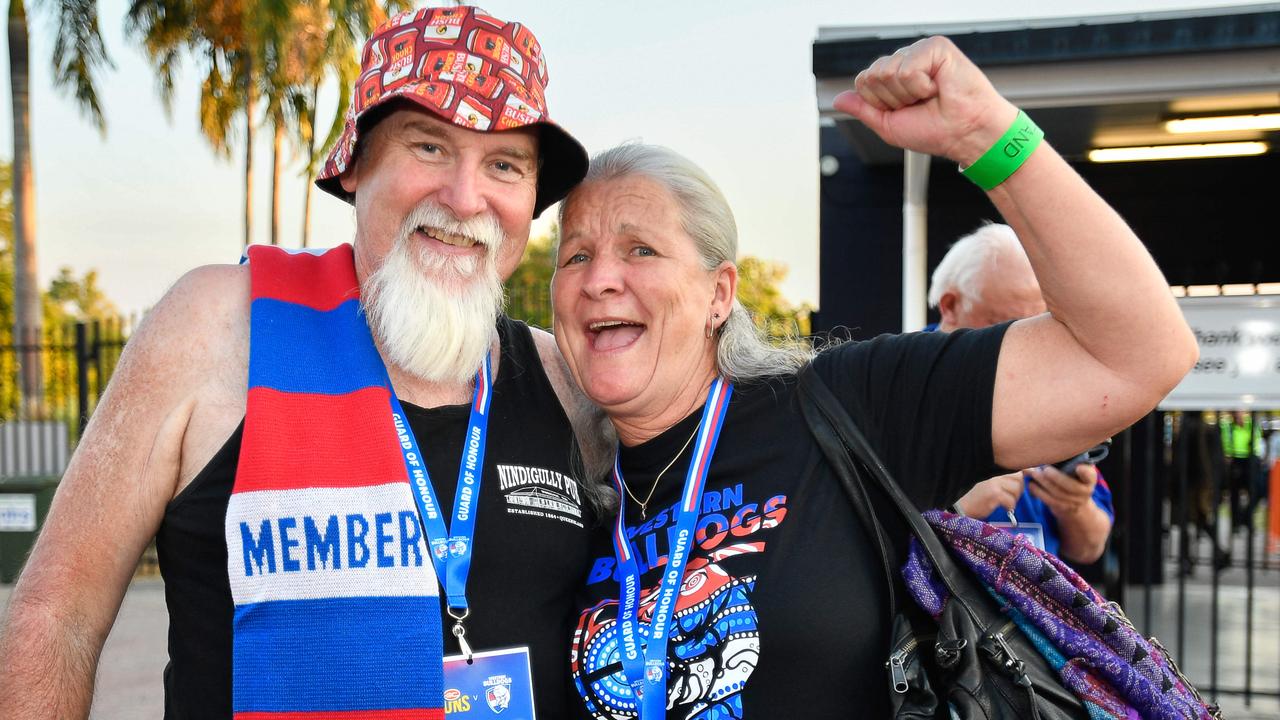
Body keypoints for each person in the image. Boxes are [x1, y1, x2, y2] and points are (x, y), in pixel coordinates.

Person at [551, 36, 1197, 719]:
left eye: (640, 249)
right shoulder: (557, 479)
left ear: (719, 294)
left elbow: (1138, 354)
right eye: (576, 255)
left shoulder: (843, 406)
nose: (599, 280)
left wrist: (990, 136)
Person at [0, 7, 611, 719]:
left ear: (532, 199)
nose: (465, 197)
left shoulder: (567, 381)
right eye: (429, 148)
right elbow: (56, 615)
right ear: (356, 166)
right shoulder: (218, 328)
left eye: (504, 164)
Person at [932, 223, 1114, 564]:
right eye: (1008, 325)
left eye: (1041, 326)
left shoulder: (1056, 394)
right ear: (951, 306)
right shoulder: (895, 391)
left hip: (1031, 610)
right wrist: (956, 507)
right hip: (938, 611)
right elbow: (853, 539)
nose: (1029, 346)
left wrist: (1074, 507)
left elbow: (1091, 547)